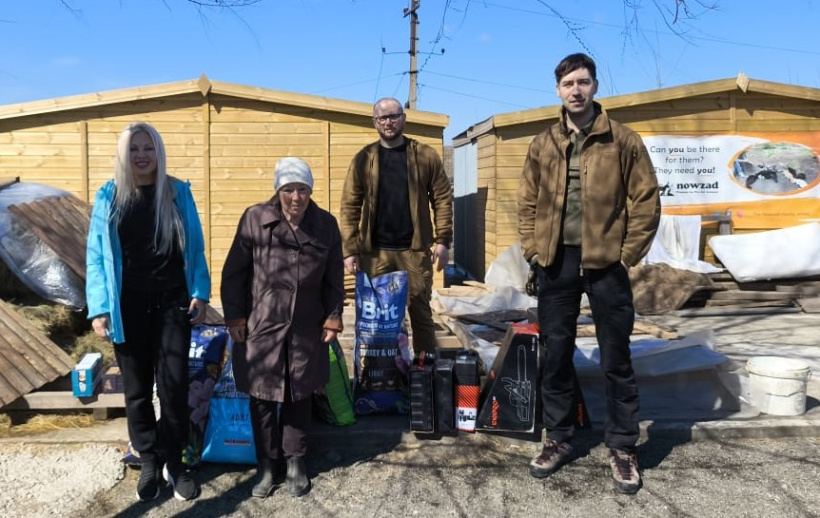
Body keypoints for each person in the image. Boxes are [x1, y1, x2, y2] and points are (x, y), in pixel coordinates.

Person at [517, 53, 661, 494]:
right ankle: (558, 438)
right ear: (557, 91)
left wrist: (626, 255)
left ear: (595, 86)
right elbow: (527, 202)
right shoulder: (544, 143)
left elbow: (646, 200)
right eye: (567, 84)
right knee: (555, 355)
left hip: (606, 264)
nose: (576, 90)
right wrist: (533, 249)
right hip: (556, 262)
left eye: (583, 81)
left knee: (616, 355)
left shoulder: (622, 140)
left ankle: (622, 445)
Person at [86, 121, 210, 502]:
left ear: (158, 152)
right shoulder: (110, 196)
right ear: (124, 155)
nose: (141, 155)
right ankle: (149, 459)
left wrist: (200, 291)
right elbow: (95, 257)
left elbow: (195, 247)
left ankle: (176, 461)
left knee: (173, 387)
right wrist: (100, 308)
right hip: (129, 307)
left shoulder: (176, 192)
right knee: (137, 390)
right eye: (134, 149)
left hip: (172, 302)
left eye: (148, 148)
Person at [221, 157, 345, 498]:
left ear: (310, 191)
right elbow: (234, 274)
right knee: (261, 396)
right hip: (262, 324)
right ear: (278, 190)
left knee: (298, 393)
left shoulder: (326, 225)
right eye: (288, 189)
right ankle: (267, 464)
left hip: (306, 325)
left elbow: (335, 278)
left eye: (302, 189)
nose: (295, 197)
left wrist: (333, 318)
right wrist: (235, 317)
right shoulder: (255, 218)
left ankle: (295, 462)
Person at [340, 97, 453, 355]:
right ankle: (380, 372)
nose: (388, 122)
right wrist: (349, 249)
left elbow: (443, 199)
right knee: (377, 317)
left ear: (404, 118)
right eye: (383, 118)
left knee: (421, 313)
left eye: (394, 116)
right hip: (375, 253)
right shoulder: (364, 159)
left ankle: (425, 368)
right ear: (375, 122)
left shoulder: (424, 155)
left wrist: (443, 240)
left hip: (414, 251)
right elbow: (349, 205)